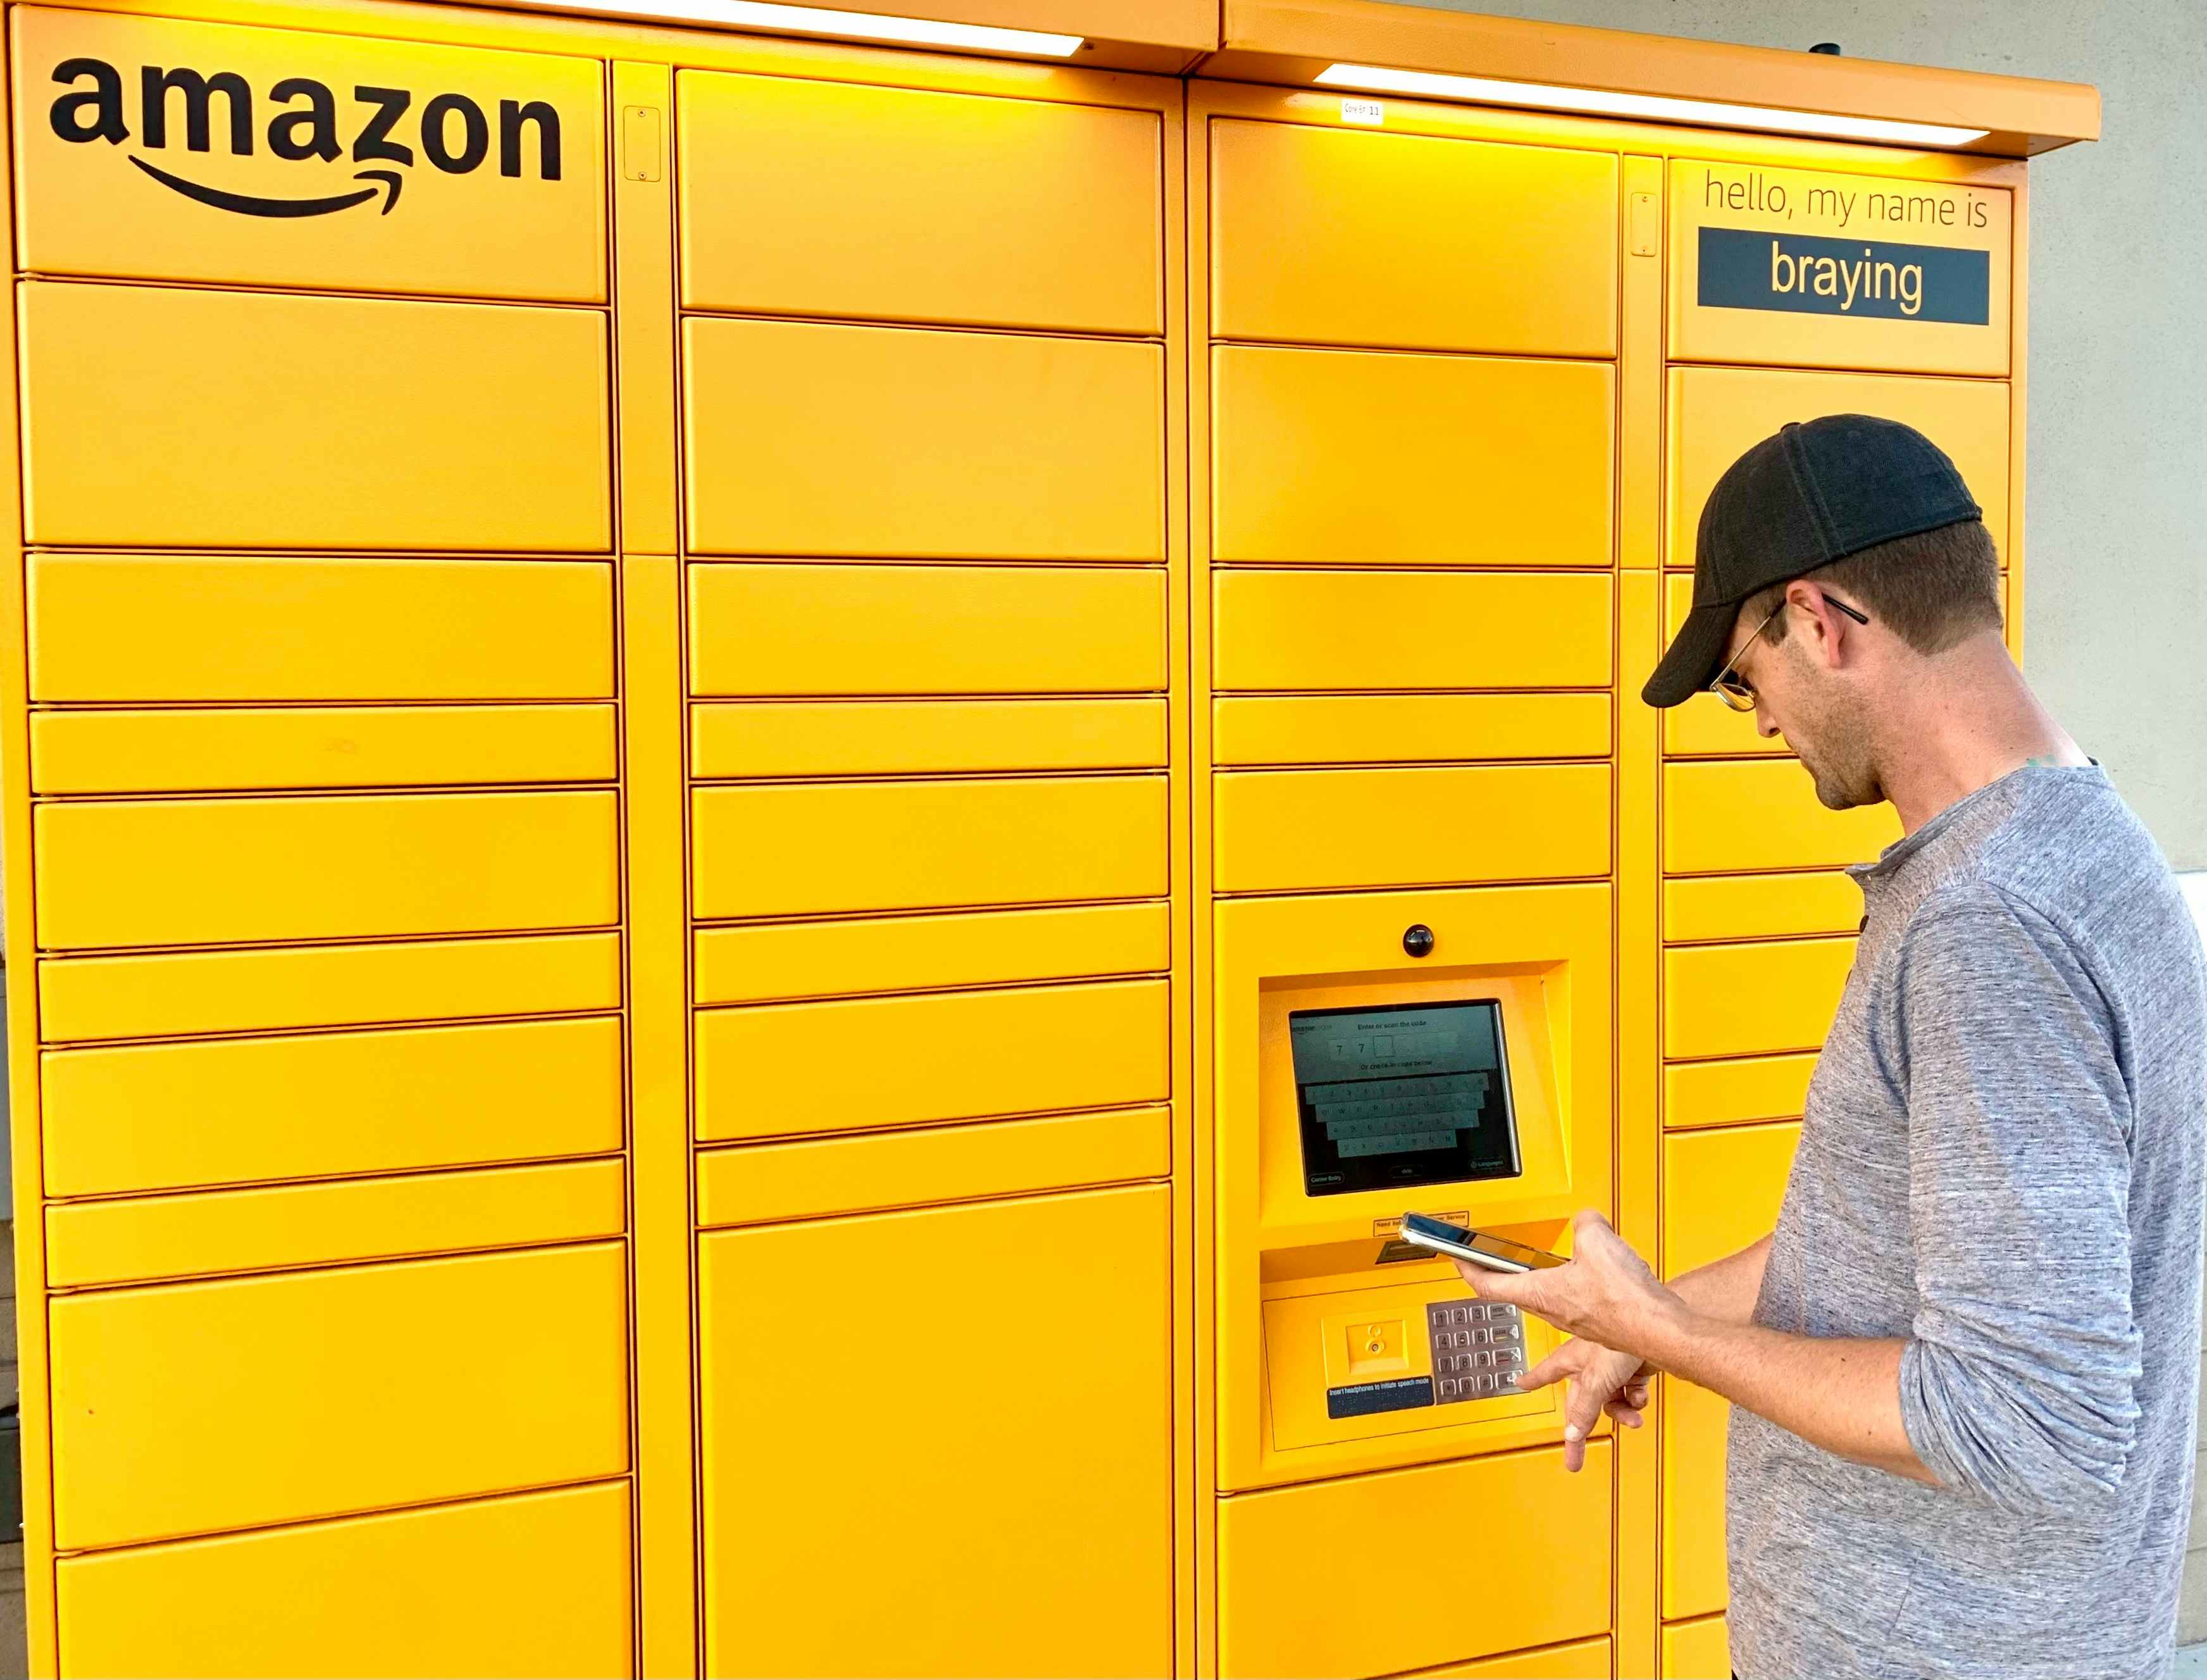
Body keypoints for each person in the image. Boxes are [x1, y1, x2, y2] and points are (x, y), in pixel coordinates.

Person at [1457, 415, 2207, 1680]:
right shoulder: (2081, 845)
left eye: (1743, 678)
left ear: (1819, 617)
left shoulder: (1990, 925)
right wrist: (1649, 1315)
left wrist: (1678, 1337)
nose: (1755, 723)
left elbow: (2027, 1414)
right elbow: (1887, 1239)